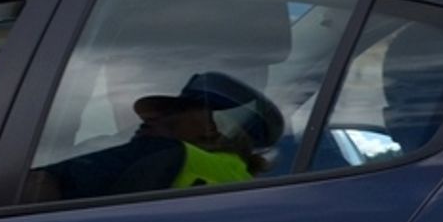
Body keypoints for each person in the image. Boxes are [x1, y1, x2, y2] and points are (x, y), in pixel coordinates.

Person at [29, 71, 284, 201]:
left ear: (211, 126)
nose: (149, 117)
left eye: (172, 112)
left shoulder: (163, 153)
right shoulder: (241, 185)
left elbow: (36, 187)